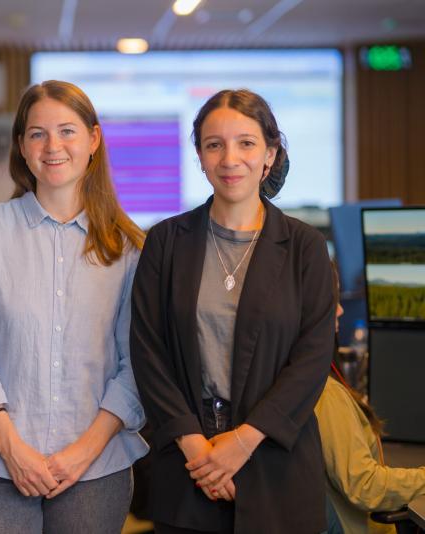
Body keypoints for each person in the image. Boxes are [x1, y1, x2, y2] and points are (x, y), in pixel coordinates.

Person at [130, 88, 336, 534]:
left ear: (270, 154)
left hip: (277, 464)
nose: (229, 158)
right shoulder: (165, 242)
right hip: (188, 468)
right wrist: (199, 452)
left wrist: (241, 443)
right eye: (214, 144)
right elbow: (148, 352)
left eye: (245, 142)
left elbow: (314, 357)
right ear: (200, 156)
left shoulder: (305, 247)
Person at [0, 80, 149, 533]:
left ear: (93, 140)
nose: (52, 145)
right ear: (21, 146)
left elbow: (136, 364)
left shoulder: (129, 249)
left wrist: (82, 453)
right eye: (37, 133)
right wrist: (10, 445)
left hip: (96, 467)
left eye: (67, 131)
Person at [315, 267, 425, 534]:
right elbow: (364, 485)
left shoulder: (299, 383)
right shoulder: (327, 394)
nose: (341, 311)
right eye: (334, 301)